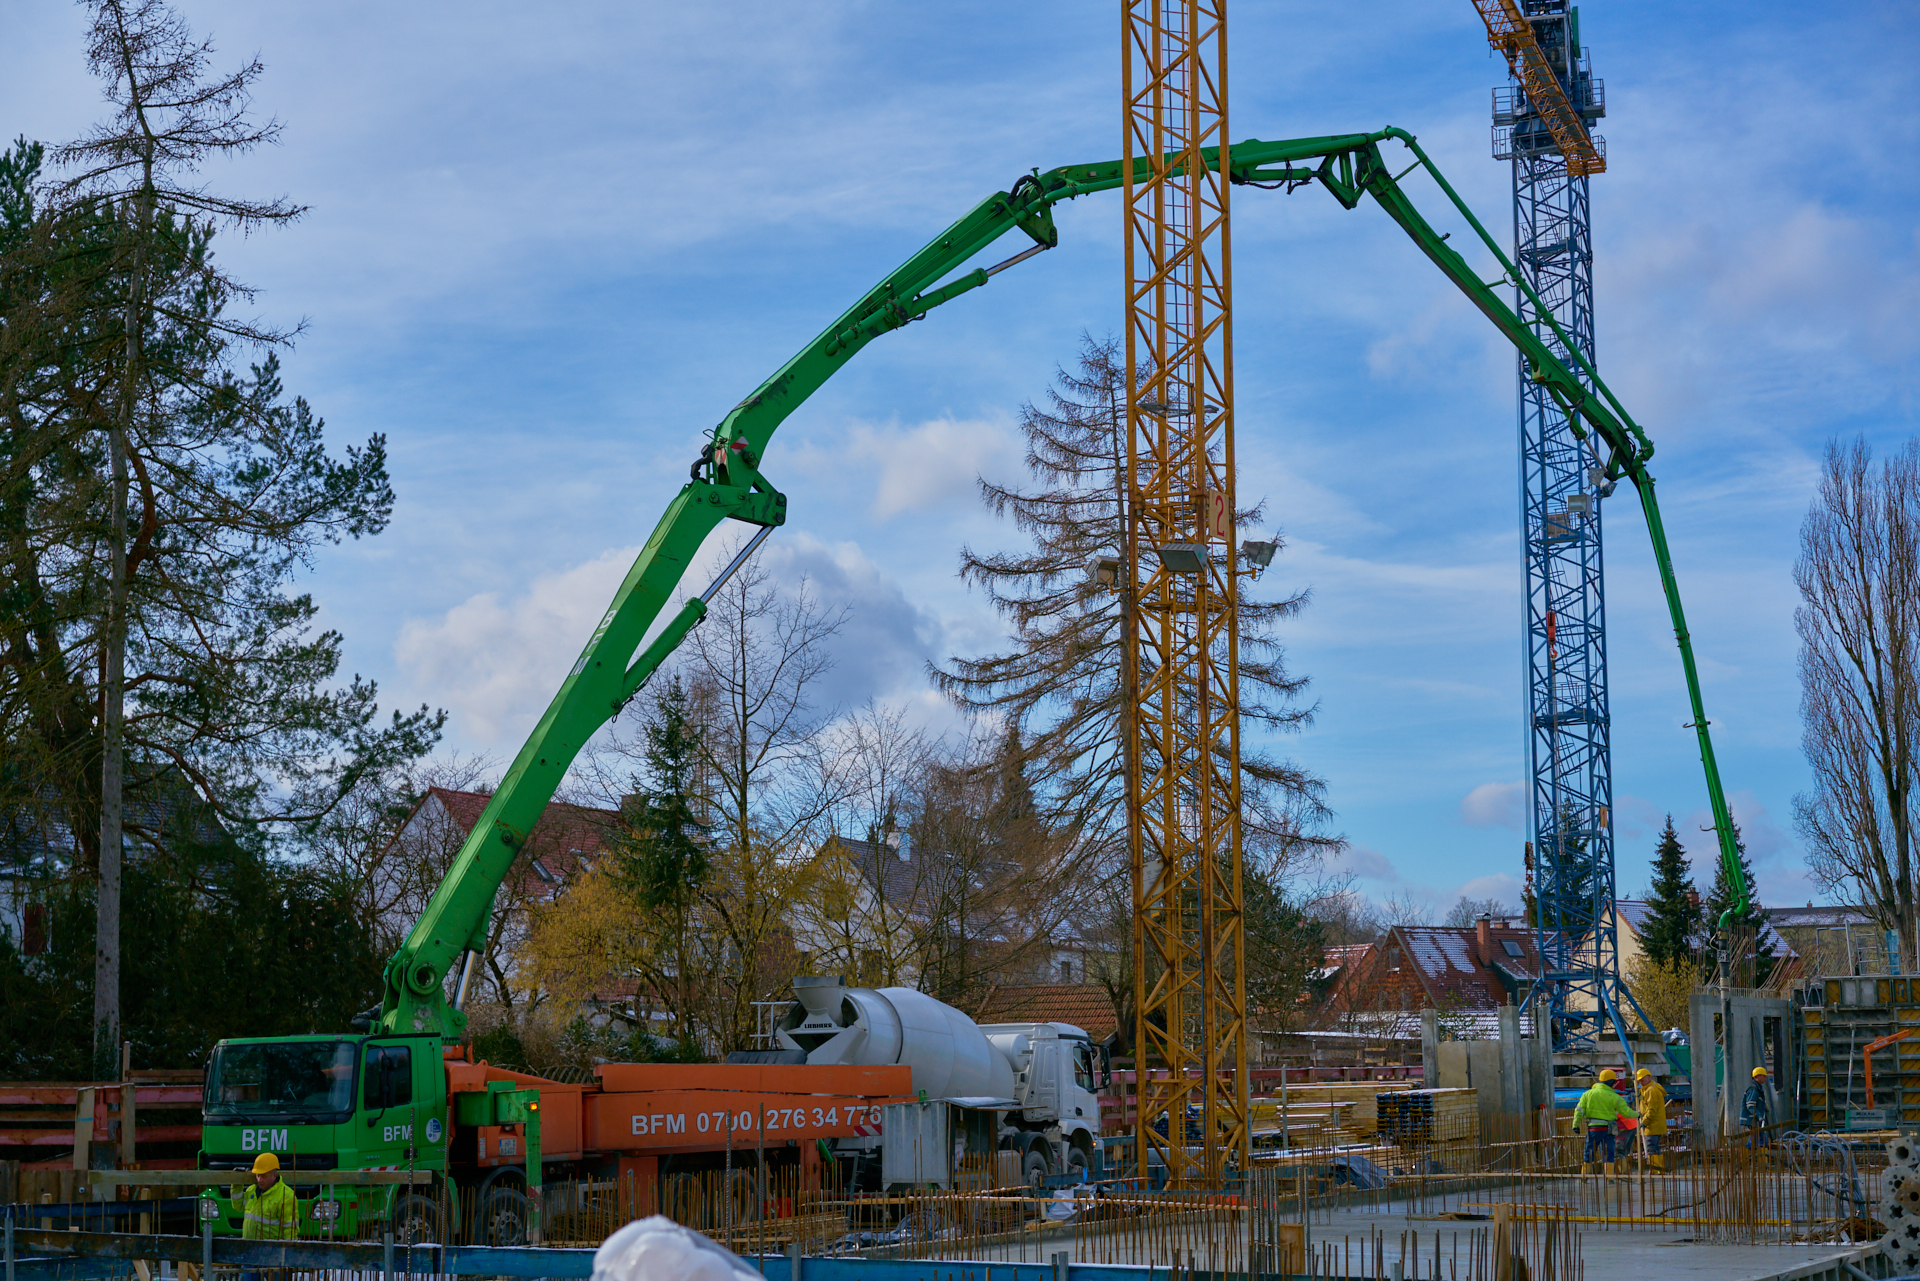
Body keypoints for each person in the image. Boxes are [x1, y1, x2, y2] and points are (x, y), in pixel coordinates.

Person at [1572, 1068, 1638, 1177]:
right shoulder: (1614, 1096)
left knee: (1589, 1153)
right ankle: (1609, 1178)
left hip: (1593, 1129)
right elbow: (1626, 1112)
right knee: (1609, 1153)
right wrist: (1638, 1114)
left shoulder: (1587, 1094)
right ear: (1612, 1082)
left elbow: (1578, 1111)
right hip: (1609, 1129)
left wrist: (1576, 1125)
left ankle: (1584, 1177)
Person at [239, 1152, 300, 1240]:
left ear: (274, 1176)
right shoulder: (252, 1190)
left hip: (271, 1250)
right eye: (258, 1175)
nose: (259, 1180)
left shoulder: (286, 1195)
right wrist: (236, 1185)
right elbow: (238, 1206)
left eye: (264, 1176)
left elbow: (290, 1229)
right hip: (249, 1247)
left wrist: (288, 1249)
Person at [1634, 1067, 1668, 1171]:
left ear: (1648, 1077)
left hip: (1652, 1125)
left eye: (1642, 1079)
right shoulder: (1648, 1089)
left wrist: (1644, 1122)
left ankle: (1655, 1170)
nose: (1640, 1082)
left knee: (1651, 1148)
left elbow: (1652, 1110)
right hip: (1654, 1125)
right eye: (1639, 1080)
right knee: (1655, 1148)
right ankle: (1659, 1169)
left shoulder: (1651, 1090)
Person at [1740, 1066, 1772, 1148]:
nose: (1765, 1078)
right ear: (1757, 1076)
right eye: (1764, 1076)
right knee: (1756, 1141)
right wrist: (1759, 1116)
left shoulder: (1758, 1088)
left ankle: (1756, 1156)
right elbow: (1750, 1106)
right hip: (1752, 1120)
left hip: (1755, 1120)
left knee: (1762, 1141)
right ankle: (1752, 1156)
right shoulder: (1753, 1089)